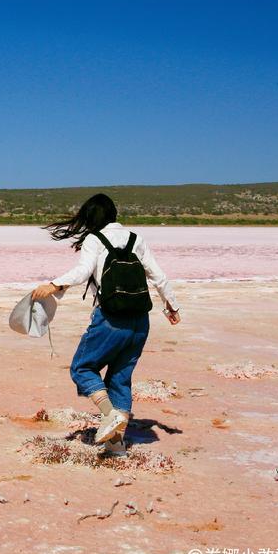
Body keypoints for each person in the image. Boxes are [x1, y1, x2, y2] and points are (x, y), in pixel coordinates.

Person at [32, 193, 181, 456]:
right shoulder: (136, 238)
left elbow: (82, 271)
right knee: (120, 380)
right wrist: (172, 306)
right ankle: (116, 447)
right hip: (140, 321)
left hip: (111, 319)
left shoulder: (95, 239)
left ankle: (111, 416)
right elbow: (159, 276)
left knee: (82, 367)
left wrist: (53, 285)